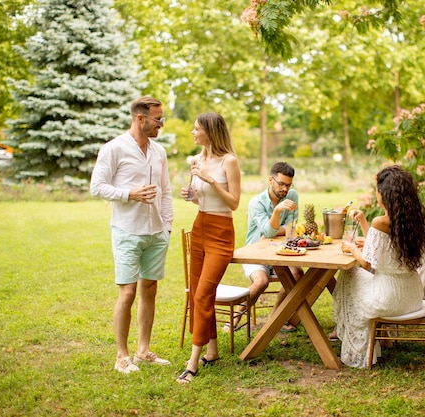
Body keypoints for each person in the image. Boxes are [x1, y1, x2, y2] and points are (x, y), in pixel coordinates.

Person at [90, 96, 173, 374]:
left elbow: (166, 190)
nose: (161, 124)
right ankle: (121, 356)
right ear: (140, 118)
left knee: (150, 289)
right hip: (127, 230)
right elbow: (97, 187)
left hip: (156, 232)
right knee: (127, 292)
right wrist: (129, 194)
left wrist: (167, 226)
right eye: (157, 119)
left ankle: (143, 351)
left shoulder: (159, 151)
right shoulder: (114, 149)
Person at [332, 165, 425, 368]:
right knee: (353, 275)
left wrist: (352, 249)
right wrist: (363, 222)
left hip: (389, 298)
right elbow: (384, 247)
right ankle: (378, 337)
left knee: (348, 273)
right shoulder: (412, 220)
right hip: (412, 295)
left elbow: (367, 262)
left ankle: (352, 336)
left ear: (384, 194)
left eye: (377, 190)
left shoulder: (381, 221)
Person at [177, 112, 241, 384]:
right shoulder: (196, 160)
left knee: (203, 294)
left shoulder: (229, 161)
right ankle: (212, 352)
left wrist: (211, 180)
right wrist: (191, 195)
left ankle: (193, 363)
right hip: (200, 225)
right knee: (198, 292)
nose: (193, 132)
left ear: (210, 132)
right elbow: (201, 199)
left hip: (221, 232)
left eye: (196, 129)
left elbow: (234, 203)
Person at [232, 162, 303, 333]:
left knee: (297, 274)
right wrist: (277, 212)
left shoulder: (292, 196)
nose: (285, 189)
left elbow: (291, 228)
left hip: (281, 253)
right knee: (261, 282)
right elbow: (268, 231)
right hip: (255, 253)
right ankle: (235, 318)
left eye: (288, 185)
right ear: (271, 180)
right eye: (281, 184)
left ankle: (274, 318)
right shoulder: (256, 202)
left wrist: (276, 231)